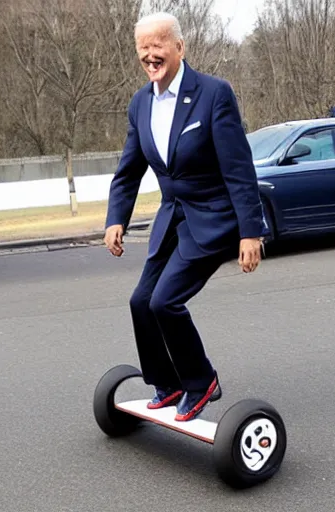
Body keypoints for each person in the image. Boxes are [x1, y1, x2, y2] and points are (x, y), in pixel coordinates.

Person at [103, 12, 268, 422]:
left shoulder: (213, 94)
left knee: (165, 302)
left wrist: (251, 231)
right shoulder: (141, 103)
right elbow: (129, 169)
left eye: (157, 45)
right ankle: (169, 381)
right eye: (143, 48)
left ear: (179, 47)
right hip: (172, 218)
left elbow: (239, 168)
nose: (149, 55)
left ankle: (201, 381)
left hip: (214, 219)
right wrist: (115, 218)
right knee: (141, 301)